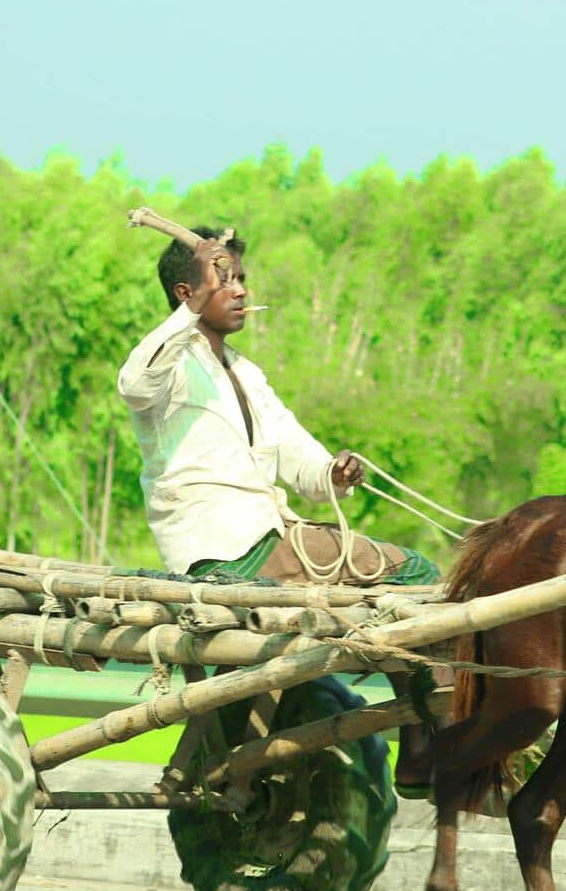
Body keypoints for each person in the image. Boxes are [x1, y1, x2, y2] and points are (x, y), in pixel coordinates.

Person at [118, 227, 443, 799]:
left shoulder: (246, 373)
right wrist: (191, 306)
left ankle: (419, 741)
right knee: (415, 576)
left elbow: (296, 455)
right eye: (225, 278)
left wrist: (332, 474)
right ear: (184, 292)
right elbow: (132, 382)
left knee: (405, 582)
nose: (240, 290)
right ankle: (428, 737)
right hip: (230, 550)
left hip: (275, 535)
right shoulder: (166, 367)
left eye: (241, 278)